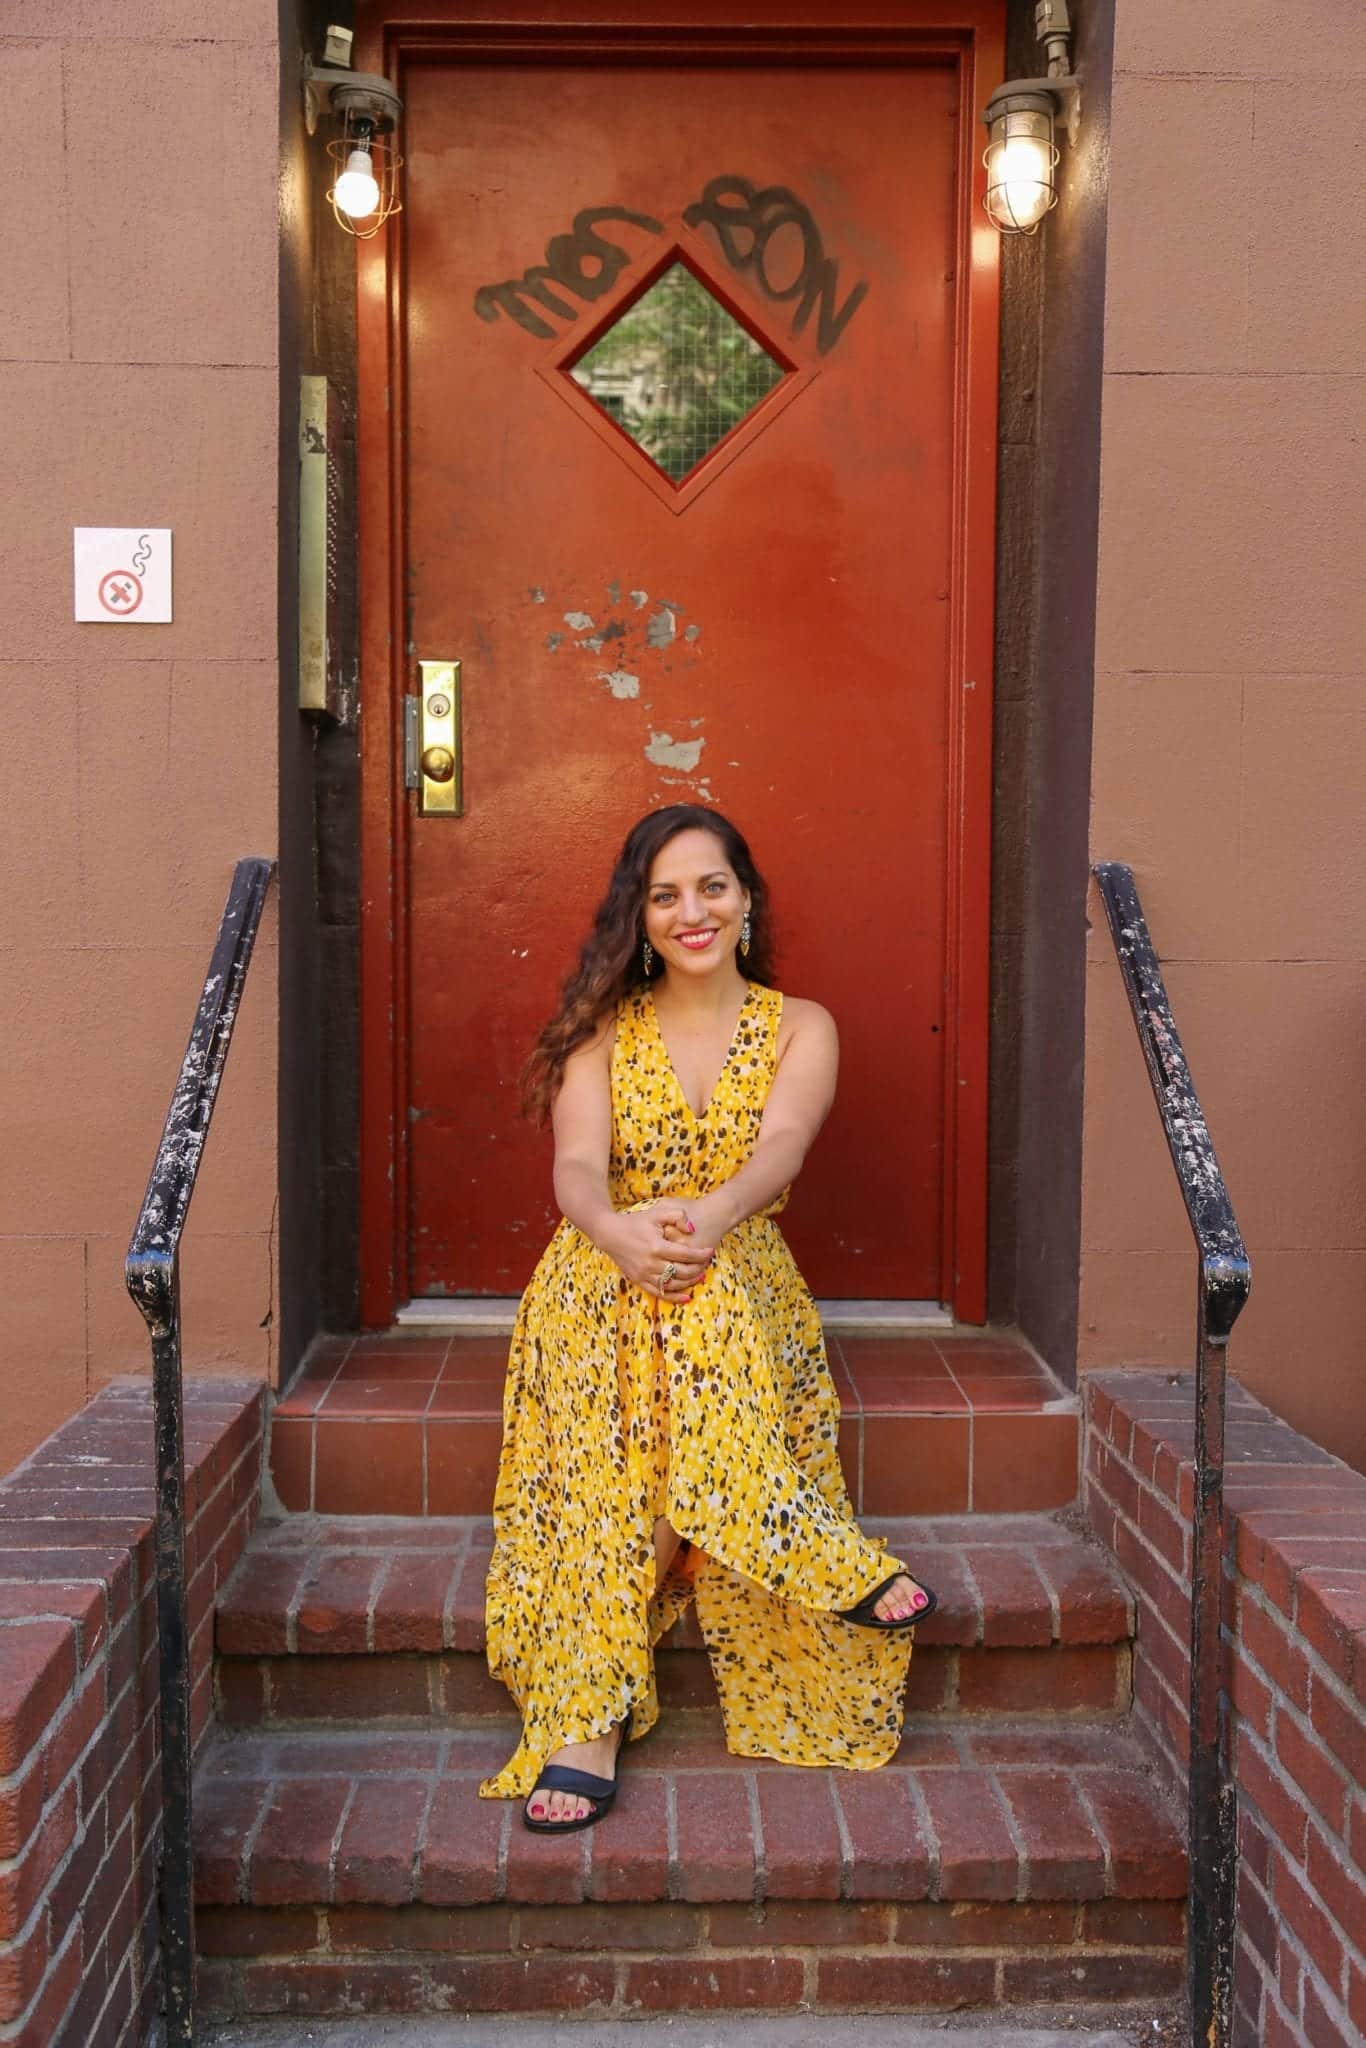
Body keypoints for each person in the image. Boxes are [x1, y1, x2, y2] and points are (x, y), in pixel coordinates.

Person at [480, 804, 936, 1830]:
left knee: (702, 1295)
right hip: (602, 1279)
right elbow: (576, 1171)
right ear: (638, 918)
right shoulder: (602, 1031)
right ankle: (807, 1551)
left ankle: (586, 1718)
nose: (693, 911)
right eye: (665, 893)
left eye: (712, 886)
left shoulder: (800, 1025)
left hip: (734, 1273)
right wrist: (620, 1232)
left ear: (746, 899)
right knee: (616, 1450)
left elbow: (781, 1147)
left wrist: (708, 1217)